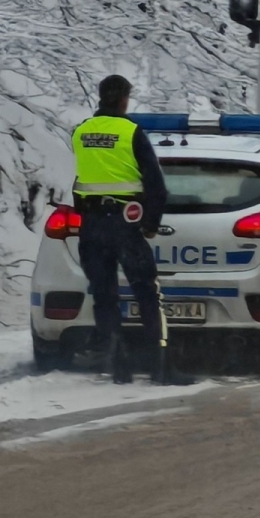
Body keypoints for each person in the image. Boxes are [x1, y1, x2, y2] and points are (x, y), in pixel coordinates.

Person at [72, 74, 169, 384]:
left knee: (104, 295)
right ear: (125, 100)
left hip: (91, 225)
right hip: (125, 224)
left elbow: (83, 178)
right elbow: (156, 184)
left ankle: (119, 367)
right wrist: (150, 224)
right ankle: (159, 366)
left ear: (101, 97)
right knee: (146, 291)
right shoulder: (131, 132)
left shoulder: (81, 132)